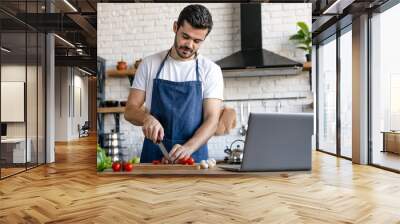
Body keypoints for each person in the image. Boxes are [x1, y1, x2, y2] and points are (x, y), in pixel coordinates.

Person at [124, 4, 223, 164]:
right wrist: (146, 118)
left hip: (193, 157)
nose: (190, 45)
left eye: (197, 41)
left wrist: (189, 148)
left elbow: (212, 120)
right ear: (175, 27)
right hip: (154, 155)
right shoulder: (149, 64)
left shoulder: (211, 70)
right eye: (185, 36)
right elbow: (130, 110)